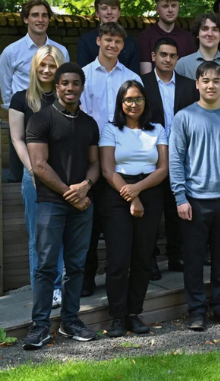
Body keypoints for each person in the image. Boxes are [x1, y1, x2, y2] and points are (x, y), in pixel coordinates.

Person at [22, 63, 100, 350]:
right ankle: (40, 326)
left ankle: (70, 321)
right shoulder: (41, 120)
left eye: (75, 83)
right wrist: (72, 193)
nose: (70, 88)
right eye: (64, 83)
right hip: (51, 204)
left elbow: (95, 165)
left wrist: (86, 187)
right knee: (45, 266)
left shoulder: (89, 124)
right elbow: (39, 166)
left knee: (76, 266)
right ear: (56, 87)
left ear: (82, 86)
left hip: (82, 205)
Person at [169, 61, 220, 331]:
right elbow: (176, 159)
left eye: (216, 81)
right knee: (193, 260)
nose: (211, 85)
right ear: (197, 84)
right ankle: (196, 312)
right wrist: (180, 197)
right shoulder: (184, 117)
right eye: (205, 80)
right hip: (194, 200)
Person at [99, 80, 169, 337]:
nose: (133, 104)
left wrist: (138, 190)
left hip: (149, 191)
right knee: (118, 259)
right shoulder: (110, 130)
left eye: (138, 99)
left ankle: (133, 314)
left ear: (145, 102)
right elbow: (107, 170)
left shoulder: (157, 129)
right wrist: (131, 196)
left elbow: (163, 168)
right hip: (118, 194)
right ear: (120, 103)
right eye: (128, 100)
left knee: (142, 257)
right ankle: (117, 316)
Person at [80, 22, 142, 297]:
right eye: (108, 39)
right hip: (89, 155)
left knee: (118, 220)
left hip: (122, 157)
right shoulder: (83, 76)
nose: (112, 45)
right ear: (98, 41)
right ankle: (86, 278)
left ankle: (121, 277)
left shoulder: (130, 78)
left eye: (118, 41)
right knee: (89, 223)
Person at [9, 45, 66, 310]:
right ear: (34, 66)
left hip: (62, 175)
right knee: (39, 236)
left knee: (61, 233)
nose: (46, 70)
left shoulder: (66, 98)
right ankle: (43, 289)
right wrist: (32, 170)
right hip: (33, 176)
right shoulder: (21, 99)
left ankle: (59, 287)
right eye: (42, 65)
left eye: (52, 65)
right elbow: (17, 139)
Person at [142, 37, 199, 275]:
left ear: (178, 58)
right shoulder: (141, 83)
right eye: (163, 54)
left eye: (172, 55)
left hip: (182, 155)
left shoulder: (188, 85)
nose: (167, 59)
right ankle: (150, 260)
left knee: (178, 207)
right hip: (150, 155)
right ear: (153, 56)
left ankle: (177, 256)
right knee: (152, 211)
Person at [0, 0, 70, 182]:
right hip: (23, 115)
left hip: (54, 115)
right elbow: (6, 87)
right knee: (20, 173)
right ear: (25, 19)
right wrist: (16, 108)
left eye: (45, 15)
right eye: (35, 15)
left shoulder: (60, 51)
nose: (40, 19)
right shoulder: (11, 52)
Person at [175, 13, 220, 111]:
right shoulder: (182, 65)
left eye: (215, 29)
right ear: (197, 34)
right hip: (193, 124)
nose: (209, 33)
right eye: (204, 29)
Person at [77, 0, 140, 73]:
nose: (109, 12)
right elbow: (83, 73)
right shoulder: (85, 40)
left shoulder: (131, 43)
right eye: (104, 8)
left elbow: (134, 75)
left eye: (113, 8)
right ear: (97, 14)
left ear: (119, 13)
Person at [138, 0, 195, 75]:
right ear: (156, 9)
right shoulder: (146, 36)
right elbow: (146, 76)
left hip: (184, 87)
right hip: (154, 87)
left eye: (174, 5)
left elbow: (191, 72)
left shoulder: (187, 38)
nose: (170, 10)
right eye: (165, 6)